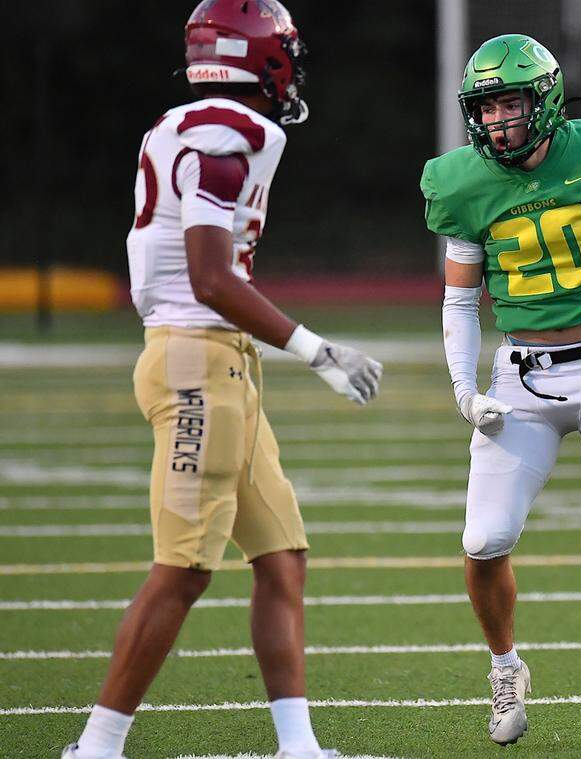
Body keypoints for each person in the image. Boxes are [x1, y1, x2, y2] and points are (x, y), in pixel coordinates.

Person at [63, 2, 380, 758]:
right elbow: (209, 276)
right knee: (183, 570)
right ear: (265, 59)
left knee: (281, 557)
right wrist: (316, 349)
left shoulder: (185, 123)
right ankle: (95, 748)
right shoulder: (225, 136)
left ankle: (297, 745)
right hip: (195, 361)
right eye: (286, 54)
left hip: (219, 358)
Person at [420, 34, 581, 745]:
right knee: (483, 540)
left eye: (510, 104)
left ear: (547, 101)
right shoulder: (465, 182)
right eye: (488, 108)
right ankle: (505, 665)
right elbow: (457, 303)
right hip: (521, 379)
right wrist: (463, 388)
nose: (498, 121)